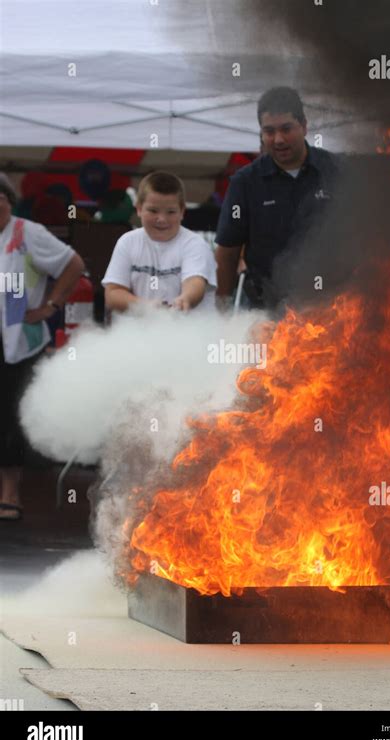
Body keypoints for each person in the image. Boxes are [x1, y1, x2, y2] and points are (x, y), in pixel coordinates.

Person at [0, 173, 84, 520]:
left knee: (8, 419)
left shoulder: (26, 233)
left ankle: (10, 493)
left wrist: (50, 306)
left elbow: (74, 264)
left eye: (0, 197)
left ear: (9, 200)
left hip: (18, 339)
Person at [214, 86, 339, 310]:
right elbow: (227, 252)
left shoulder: (337, 172)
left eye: (286, 129)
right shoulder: (245, 182)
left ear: (304, 126)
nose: (278, 139)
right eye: (269, 131)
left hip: (331, 306)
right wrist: (222, 305)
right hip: (265, 310)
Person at [102, 171, 216, 313]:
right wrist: (144, 306)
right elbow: (113, 293)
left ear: (182, 211)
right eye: (153, 210)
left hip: (189, 332)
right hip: (138, 333)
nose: (162, 219)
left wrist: (184, 300)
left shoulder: (195, 244)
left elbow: (195, 281)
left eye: (171, 212)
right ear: (138, 209)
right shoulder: (127, 242)